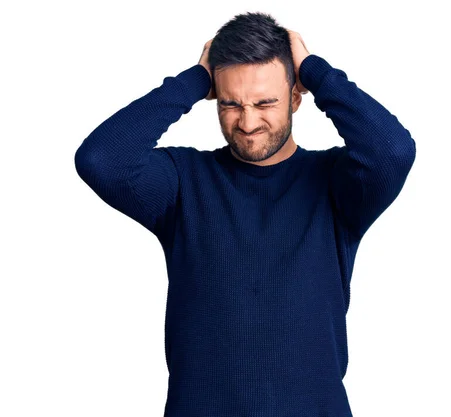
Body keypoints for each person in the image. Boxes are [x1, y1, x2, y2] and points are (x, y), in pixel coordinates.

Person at [74, 11, 416, 417]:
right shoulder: (183, 182)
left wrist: (316, 71)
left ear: (295, 96)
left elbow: (392, 151)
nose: (248, 122)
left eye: (265, 102)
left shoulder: (337, 185)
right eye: (232, 104)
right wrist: (195, 79)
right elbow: (101, 159)